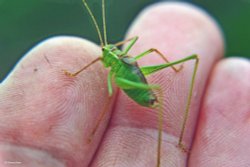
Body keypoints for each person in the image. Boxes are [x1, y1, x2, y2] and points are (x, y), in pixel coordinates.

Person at [0, 2, 249, 167]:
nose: (103, 55)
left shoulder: (115, 66)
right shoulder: (109, 55)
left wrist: (92, 131)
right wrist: (77, 71)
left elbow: (111, 91)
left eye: (108, 52)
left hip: (136, 86)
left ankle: (161, 159)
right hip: (128, 70)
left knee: (123, 89)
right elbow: (111, 53)